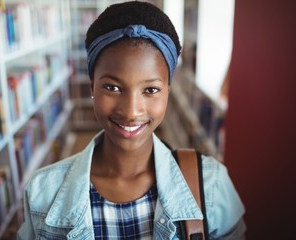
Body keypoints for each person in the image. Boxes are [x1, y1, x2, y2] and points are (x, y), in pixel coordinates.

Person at [17, 1, 246, 239]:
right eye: (113, 87)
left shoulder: (212, 186)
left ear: (168, 91)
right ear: (92, 87)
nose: (131, 111)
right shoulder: (42, 193)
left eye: (151, 90)